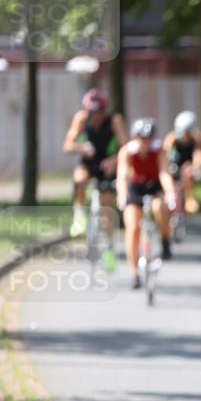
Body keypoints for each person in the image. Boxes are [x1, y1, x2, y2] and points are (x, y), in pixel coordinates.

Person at [62, 89, 128, 270]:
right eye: (92, 112)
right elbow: (67, 145)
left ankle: (109, 247)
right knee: (79, 178)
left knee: (107, 204)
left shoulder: (115, 121)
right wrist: (81, 148)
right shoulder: (81, 120)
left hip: (107, 167)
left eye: (99, 112)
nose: (96, 116)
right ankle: (78, 216)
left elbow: (126, 148)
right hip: (89, 164)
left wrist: (114, 161)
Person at [116, 118, 176, 288]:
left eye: (148, 138)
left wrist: (170, 193)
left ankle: (165, 240)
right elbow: (122, 175)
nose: (145, 142)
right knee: (133, 227)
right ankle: (134, 273)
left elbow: (164, 173)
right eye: (141, 138)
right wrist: (122, 195)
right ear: (135, 137)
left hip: (154, 186)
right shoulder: (127, 151)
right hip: (135, 188)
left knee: (160, 207)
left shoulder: (159, 150)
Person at [163, 111, 201, 215]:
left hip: (188, 163)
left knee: (188, 172)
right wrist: (168, 166)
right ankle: (170, 197)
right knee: (170, 179)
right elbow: (165, 154)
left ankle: (190, 198)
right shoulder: (172, 138)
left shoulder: (196, 138)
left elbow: (198, 154)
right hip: (175, 163)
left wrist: (195, 167)